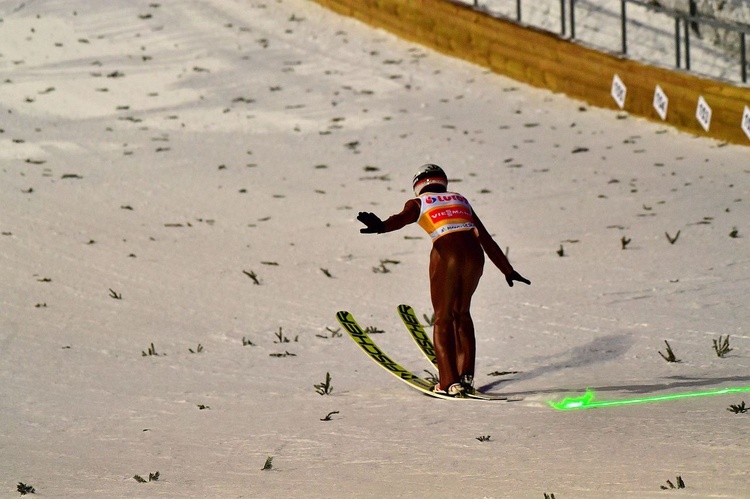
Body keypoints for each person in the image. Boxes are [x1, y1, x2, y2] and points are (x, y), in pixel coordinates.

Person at [357, 164, 530, 397]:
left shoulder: (418, 203)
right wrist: (507, 270)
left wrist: (381, 227)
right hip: (475, 257)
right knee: (462, 312)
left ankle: (448, 382)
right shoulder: (460, 200)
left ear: (418, 184)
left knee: (443, 317)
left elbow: (402, 219)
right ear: (443, 181)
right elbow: (485, 238)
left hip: (447, 255)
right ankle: (466, 373)